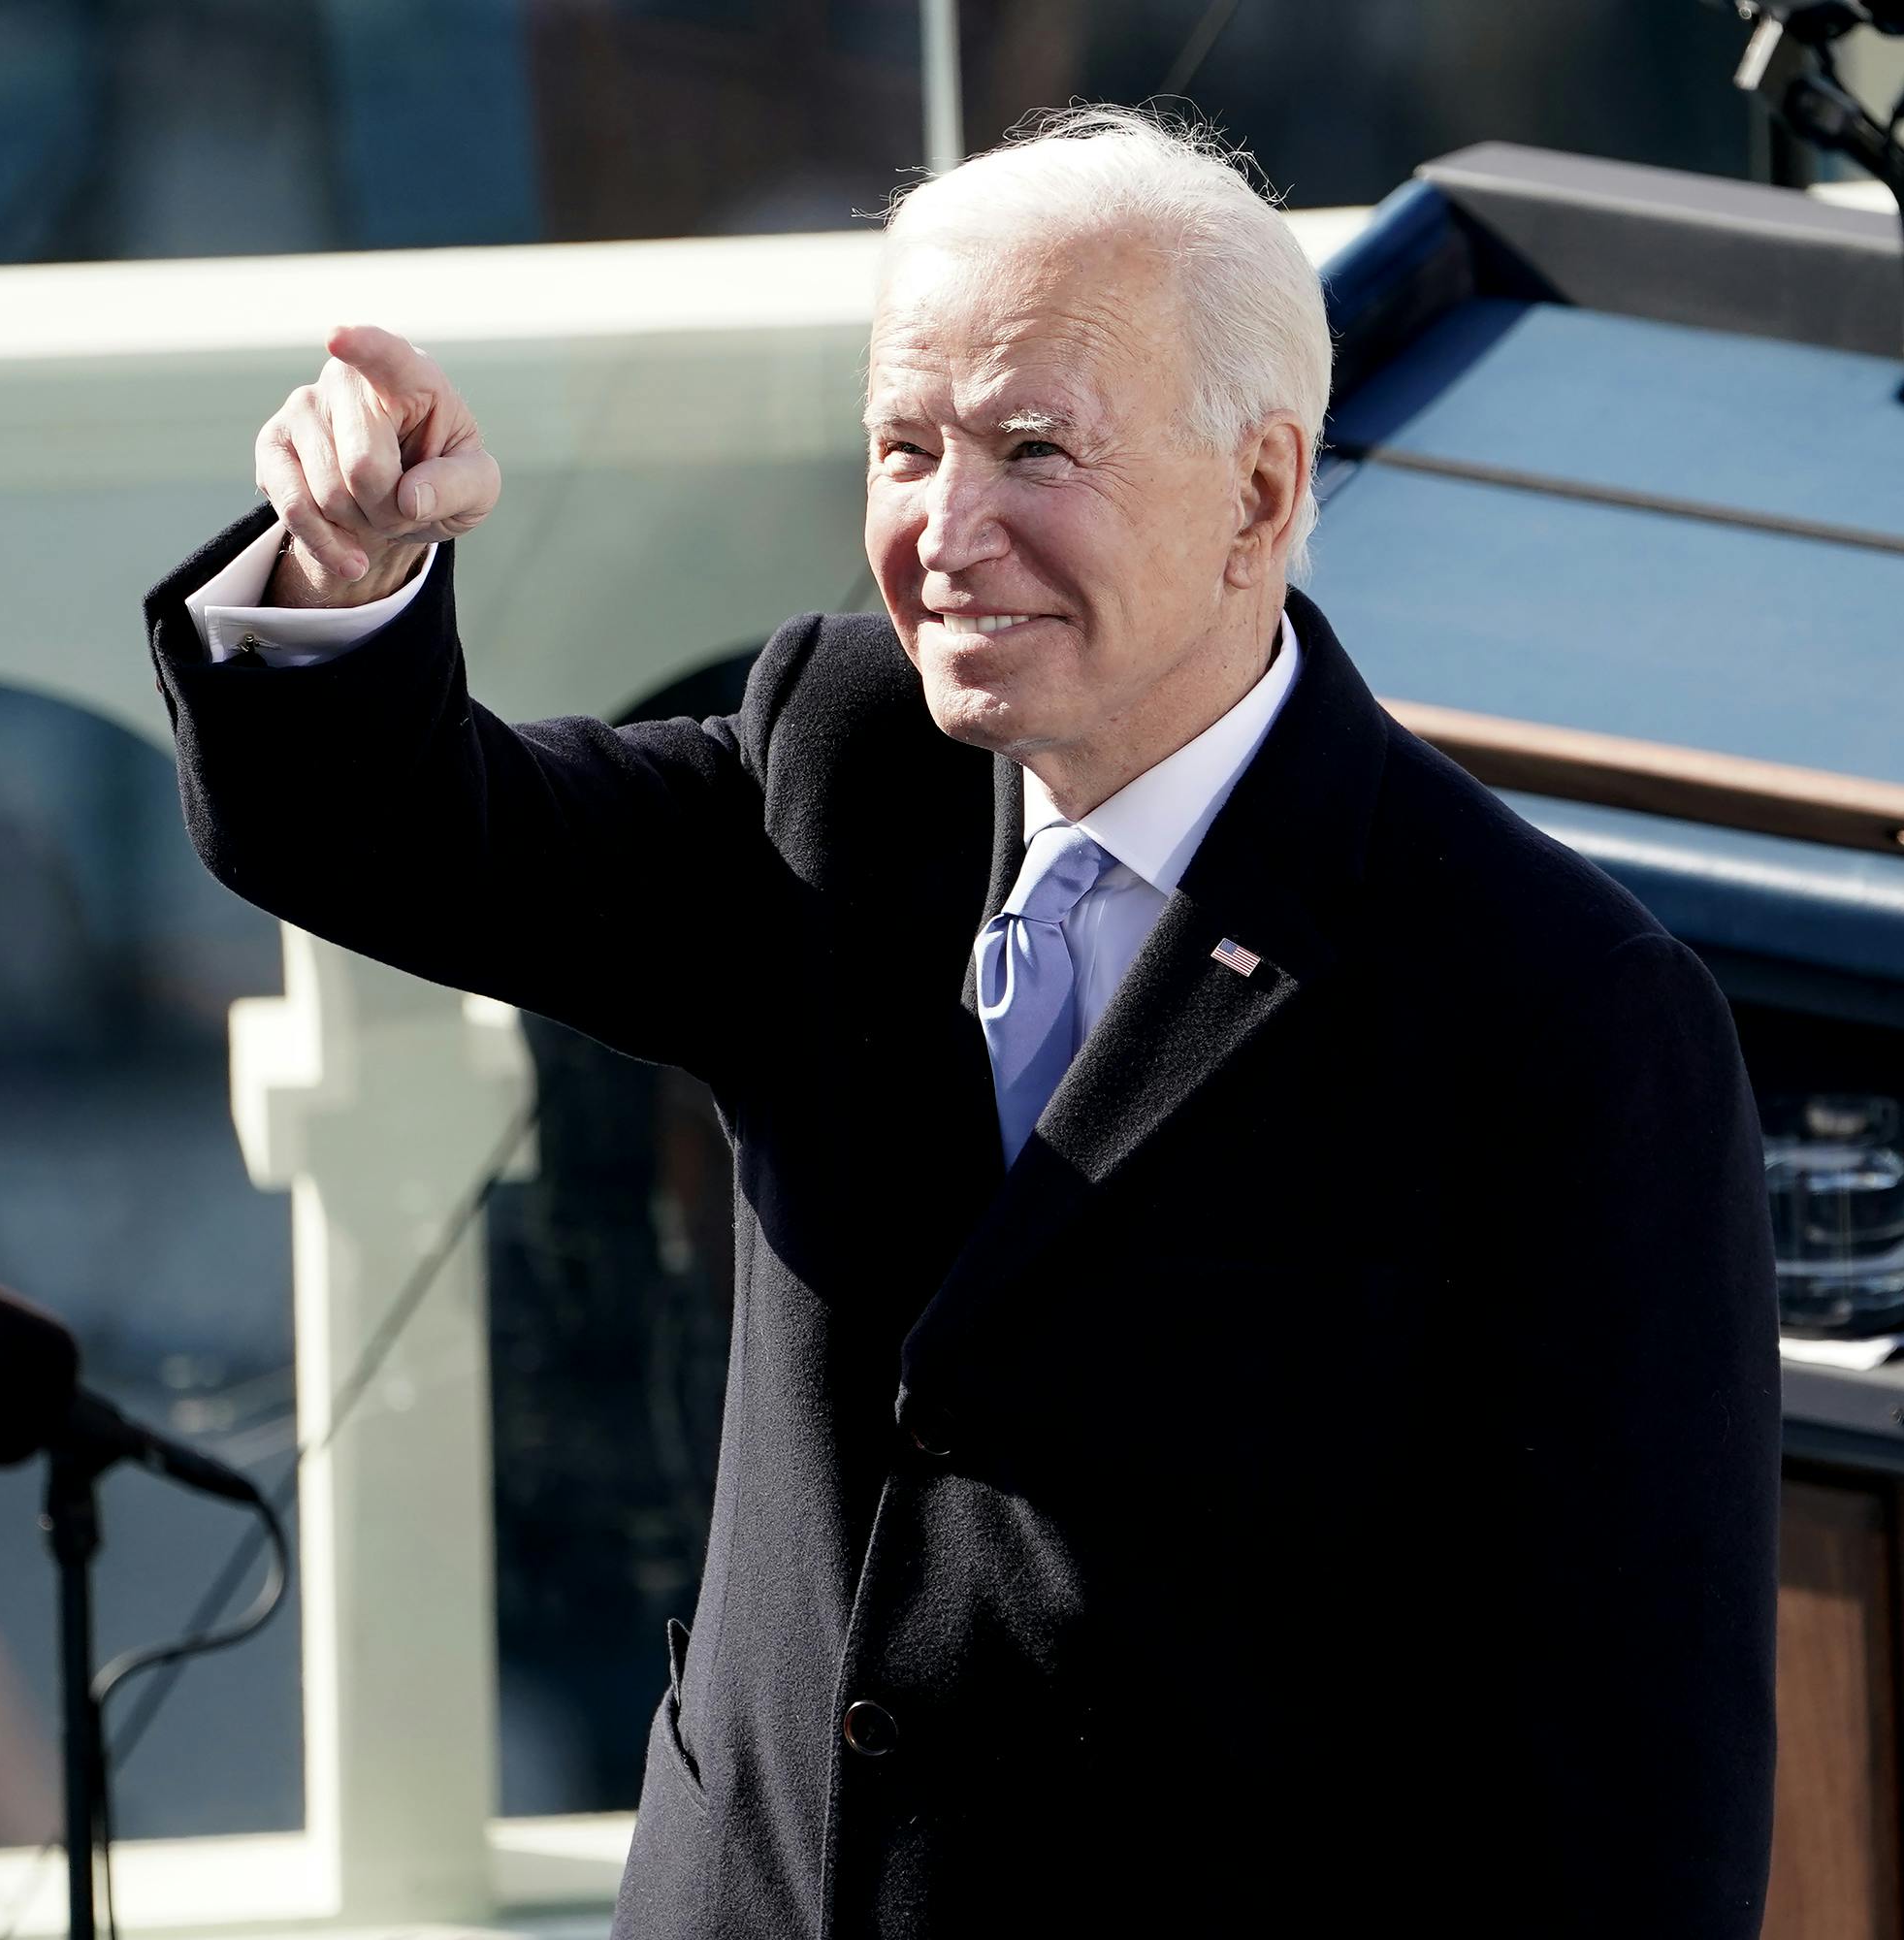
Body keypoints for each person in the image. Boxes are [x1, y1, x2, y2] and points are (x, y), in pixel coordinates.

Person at [144, 106, 1779, 1938]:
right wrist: (341, 584)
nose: (943, 531)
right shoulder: (839, 765)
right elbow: (407, 841)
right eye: (903, 447)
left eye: (1031, 448)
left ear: (1261, 493)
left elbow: (1633, 1810)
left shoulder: (1553, 1014)